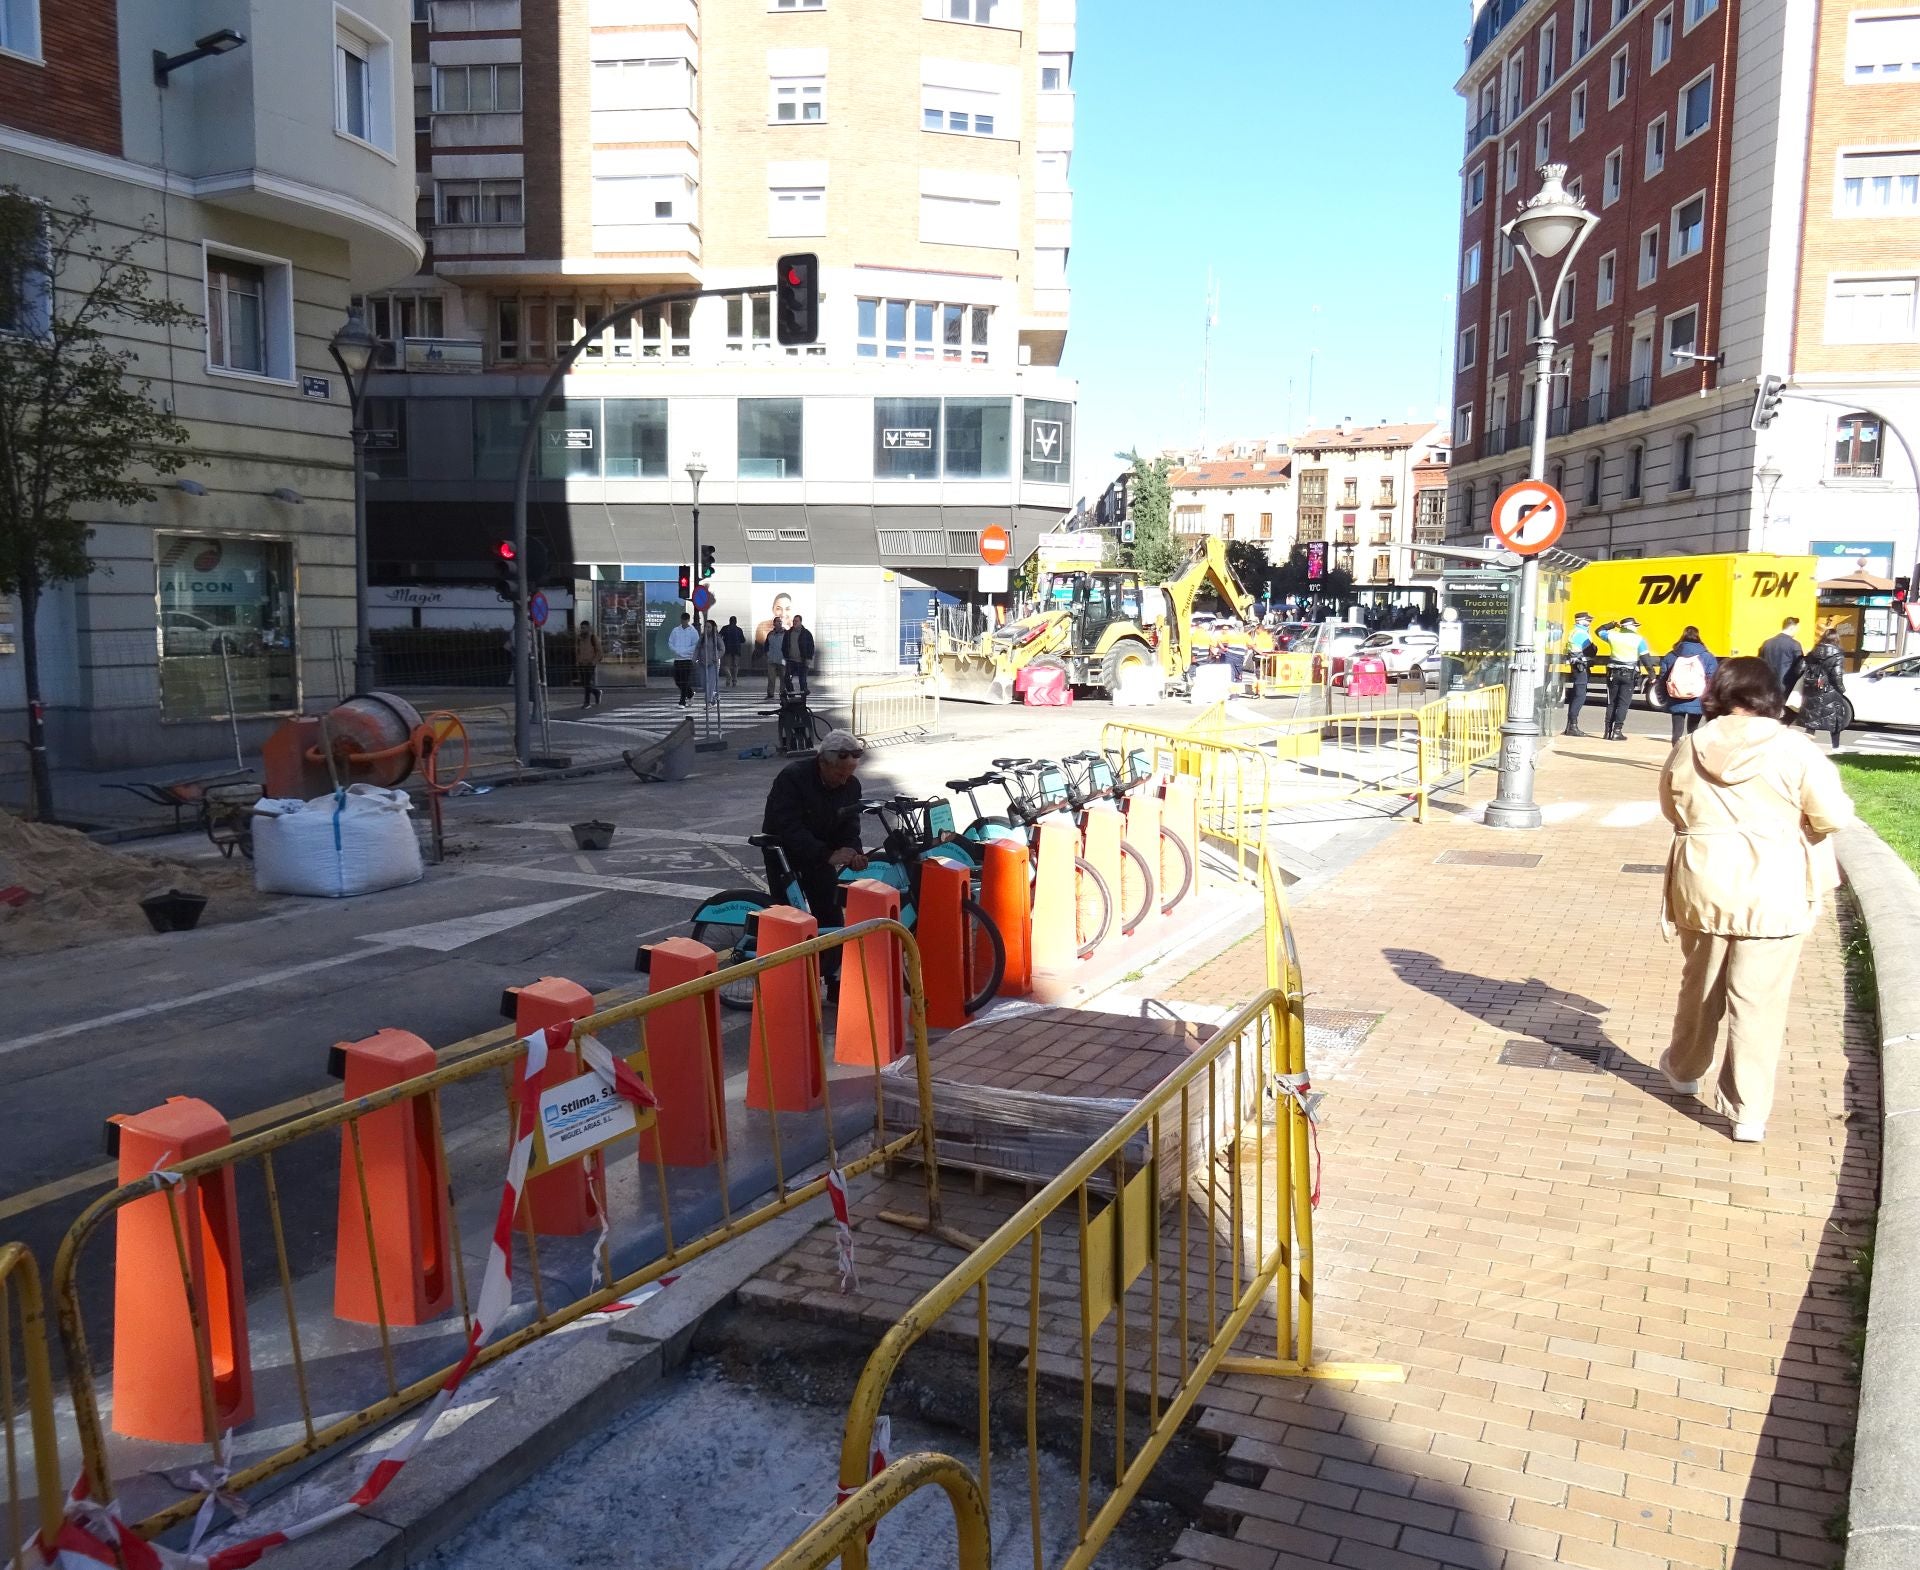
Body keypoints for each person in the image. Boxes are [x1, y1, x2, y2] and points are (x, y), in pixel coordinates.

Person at [1657, 657, 1854, 1142]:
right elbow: (1831, 816)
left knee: (1699, 986)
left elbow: (1671, 808)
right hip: (1775, 883)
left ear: (1719, 693)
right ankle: (1748, 1111)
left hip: (1701, 880)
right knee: (1758, 1000)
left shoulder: (1689, 746)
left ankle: (1683, 1069)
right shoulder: (1795, 750)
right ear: (1770, 695)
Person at [761, 729, 868, 983]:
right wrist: (826, 854)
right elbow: (788, 827)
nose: (844, 780)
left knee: (830, 913)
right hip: (783, 848)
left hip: (821, 851)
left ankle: (830, 977)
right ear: (822, 762)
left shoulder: (850, 785)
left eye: (849, 774)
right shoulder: (793, 778)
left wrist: (854, 852)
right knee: (786, 915)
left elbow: (849, 826)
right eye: (839, 774)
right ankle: (783, 978)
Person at [1595, 615, 1656, 740]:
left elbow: (1599, 631)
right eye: (1635, 626)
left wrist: (1612, 624)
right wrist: (1652, 675)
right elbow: (1646, 659)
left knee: (1611, 702)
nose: (1636, 628)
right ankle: (1617, 732)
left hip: (1613, 673)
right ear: (1631, 627)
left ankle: (1607, 732)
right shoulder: (1639, 640)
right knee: (1623, 704)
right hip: (1629, 675)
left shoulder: (1613, 636)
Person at [1660, 625, 1718, 744]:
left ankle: (1676, 758)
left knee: (1677, 732)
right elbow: (1712, 679)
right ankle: (1689, 758)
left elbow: (1663, 677)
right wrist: (1709, 697)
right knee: (1693, 730)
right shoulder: (1707, 656)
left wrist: (1663, 696)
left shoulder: (1671, 655)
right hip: (1697, 697)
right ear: (1698, 637)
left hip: (1675, 696)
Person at [1798, 627, 1849, 749]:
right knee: (1835, 720)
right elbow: (1837, 676)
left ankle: (1806, 746)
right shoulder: (1837, 654)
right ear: (1836, 639)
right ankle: (1835, 747)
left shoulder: (1813, 652)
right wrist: (1842, 690)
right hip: (1830, 691)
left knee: (1811, 720)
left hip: (1812, 689)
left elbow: (1800, 668)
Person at [1563, 611, 1596, 737]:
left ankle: (1570, 726)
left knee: (1577, 694)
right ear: (1581, 621)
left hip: (1577, 666)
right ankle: (1572, 726)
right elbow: (1591, 651)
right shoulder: (1581, 634)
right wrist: (1594, 648)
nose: (1589, 622)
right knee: (1579, 696)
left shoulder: (1574, 631)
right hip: (1581, 667)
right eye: (1588, 620)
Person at [1760, 616, 1805, 697]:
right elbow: (1801, 667)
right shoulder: (1794, 645)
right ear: (1792, 628)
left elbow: (1760, 664)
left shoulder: (1767, 643)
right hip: (1787, 687)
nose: (1796, 632)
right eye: (1796, 629)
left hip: (1768, 686)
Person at [666, 613, 699, 708]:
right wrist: (676, 651)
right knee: (678, 680)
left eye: (685, 620)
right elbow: (670, 643)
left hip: (688, 659)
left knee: (684, 680)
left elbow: (695, 645)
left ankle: (682, 701)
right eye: (682, 620)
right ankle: (690, 694)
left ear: (688, 620)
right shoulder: (675, 630)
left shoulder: (693, 631)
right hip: (677, 659)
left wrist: (685, 652)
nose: (683, 622)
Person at [786, 614, 816, 697]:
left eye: (796, 621)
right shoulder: (788, 633)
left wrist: (809, 658)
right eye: (794, 621)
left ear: (800, 622)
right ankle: (791, 696)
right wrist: (785, 655)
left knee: (802, 680)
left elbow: (811, 647)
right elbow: (784, 645)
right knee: (787, 679)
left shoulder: (806, 633)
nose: (794, 622)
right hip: (791, 661)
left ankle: (803, 697)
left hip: (802, 661)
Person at [575, 621, 603, 710]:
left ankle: (587, 703)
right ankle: (596, 692)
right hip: (582, 664)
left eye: (584, 628)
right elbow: (577, 651)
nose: (582, 629)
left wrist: (594, 661)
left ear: (588, 628)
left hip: (590, 663)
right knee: (584, 683)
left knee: (587, 683)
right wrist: (578, 661)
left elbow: (599, 651)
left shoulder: (593, 637)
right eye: (581, 628)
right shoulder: (579, 638)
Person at [695, 617, 723, 706]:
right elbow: (697, 648)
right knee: (703, 683)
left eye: (709, 627)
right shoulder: (702, 637)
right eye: (705, 627)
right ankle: (714, 694)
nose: (706, 629)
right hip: (702, 663)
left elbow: (722, 649)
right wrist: (694, 658)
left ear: (713, 628)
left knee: (710, 683)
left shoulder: (717, 637)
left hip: (713, 664)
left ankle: (708, 702)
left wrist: (716, 656)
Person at [763, 618, 788, 701]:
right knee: (771, 677)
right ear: (774, 623)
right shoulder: (770, 634)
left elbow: (789, 645)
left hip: (782, 659)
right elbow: (766, 645)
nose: (780, 623)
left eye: (780, 621)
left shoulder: (786, 633)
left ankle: (783, 693)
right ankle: (770, 693)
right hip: (771, 659)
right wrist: (767, 654)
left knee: (783, 677)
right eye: (778, 621)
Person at [720, 616, 746, 687]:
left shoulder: (725, 628)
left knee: (725, 666)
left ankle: (729, 676)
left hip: (727, 649)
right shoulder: (739, 630)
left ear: (729, 621)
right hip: (737, 649)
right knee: (735, 665)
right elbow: (743, 640)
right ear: (736, 622)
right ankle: (734, 681)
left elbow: (719, 636)